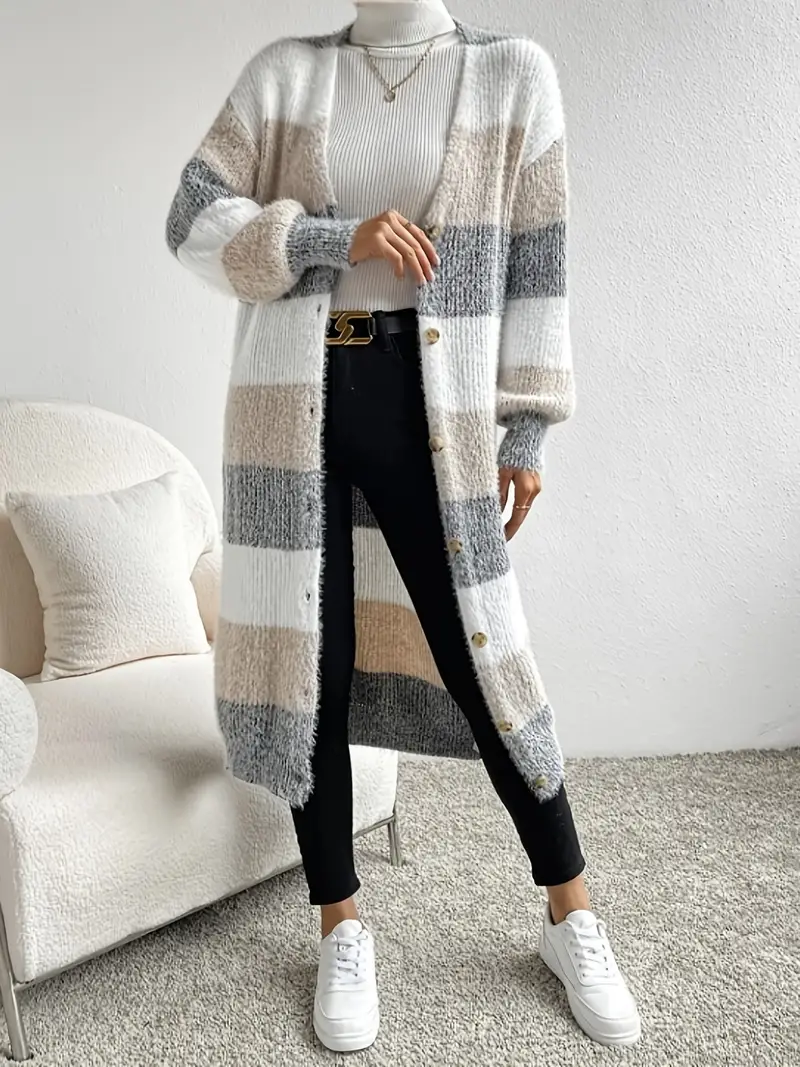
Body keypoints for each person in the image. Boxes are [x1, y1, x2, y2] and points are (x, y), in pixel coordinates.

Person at [166, 0, 641, 1053]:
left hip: (437, 404)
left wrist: (528, 425)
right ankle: (340, 923)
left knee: (485, 655)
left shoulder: (512, 74)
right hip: (291, 398)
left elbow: (537, 260)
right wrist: (331, 237)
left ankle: (570, 912)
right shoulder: (287, 73)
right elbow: (191, 217)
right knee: (311, 663)